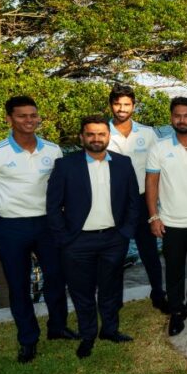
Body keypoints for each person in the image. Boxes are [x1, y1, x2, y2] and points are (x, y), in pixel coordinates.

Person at [0, 96, 77, 363]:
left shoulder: (53, 151)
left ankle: (58, 327)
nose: (29, 121)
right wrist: (6, 205)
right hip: (11, 228)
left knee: (57, 278)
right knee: (18, 286)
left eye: (33, 115)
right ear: (9, 119)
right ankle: (28, 340)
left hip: (48, 226)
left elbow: (60, 188)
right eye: (22, 116)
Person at [46, 115, 140, 359]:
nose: (96, 139)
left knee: (111, 289)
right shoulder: (65, 166)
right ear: (81, 137)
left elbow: (133, 202)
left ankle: (110, 330)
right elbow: (53, 206)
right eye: (91, 134)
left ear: (109, 136)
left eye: (101, 134)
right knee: (82, 292)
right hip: (77, 242)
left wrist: (125, 233)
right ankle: (88, 335)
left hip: (113, 239)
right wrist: (64, 239)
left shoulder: (123, 163)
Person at [145, 97, 187, 337]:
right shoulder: (159, 148)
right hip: (171, 221)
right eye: (177, 115)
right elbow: (151, 182)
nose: (182, 120)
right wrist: (154, 216)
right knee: (173, 269)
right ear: (171, 117)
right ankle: (176, 310)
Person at [105, 84, 167, 314]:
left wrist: (157, 206)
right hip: (114, 202)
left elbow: (158, 169)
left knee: (149, 250)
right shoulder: (103, 132)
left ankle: (158, 294)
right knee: (114, 253)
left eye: (126, 104)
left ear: (134, 106)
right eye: (117, 104)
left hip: (142, 200)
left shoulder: (148, 133)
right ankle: (114, 299)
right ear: (111, 105)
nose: (122, 109)